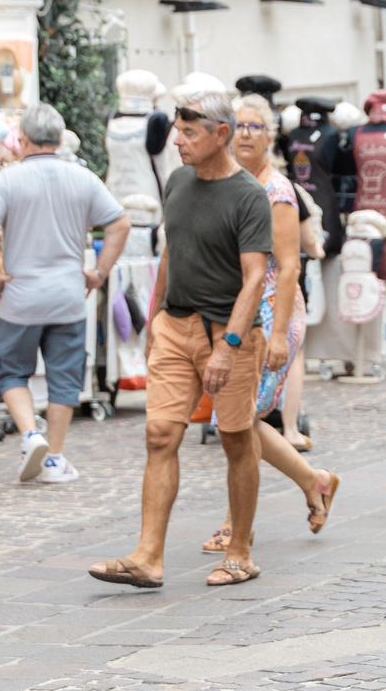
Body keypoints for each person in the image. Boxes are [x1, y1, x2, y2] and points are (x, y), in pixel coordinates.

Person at [88, 88, 274, 590]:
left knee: (237, 440)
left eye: (189, 133)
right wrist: (154, 320)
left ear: (221, 134)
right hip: (175, 324)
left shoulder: (249, 196)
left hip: (228, 335)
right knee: (159, 435)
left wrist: (229, 346)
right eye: (178, 131)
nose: (178, 141)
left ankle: (240, 551)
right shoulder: (177, 181)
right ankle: (148, 556)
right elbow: (172, 251)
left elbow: (255, 278)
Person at [188, 95, 340, 551]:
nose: (248, 133)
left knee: (238, 419)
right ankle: (314, 480)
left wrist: (277, 335)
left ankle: (239, 525)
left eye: (257, 126)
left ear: (271, 137)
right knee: (240, 419)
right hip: (238, 313)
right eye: (242, 125)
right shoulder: (225, 183)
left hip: (274, 312)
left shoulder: (276, 190)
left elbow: (290, 266)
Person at [0, 103, 128, 486]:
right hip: (69, 296)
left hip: (21, 297)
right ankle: (54, 458)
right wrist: (99, 273)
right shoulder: (83, 179)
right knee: (65, 380)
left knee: (10, 371)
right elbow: (120, 223)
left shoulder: (8, 180)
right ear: (60, 137)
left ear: (21, 139)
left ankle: (29, 434)